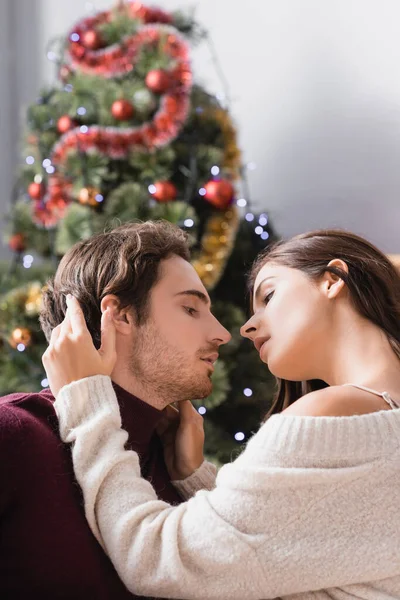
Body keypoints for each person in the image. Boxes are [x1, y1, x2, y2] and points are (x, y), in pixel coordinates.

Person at [45, 229, 400, 600]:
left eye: (269, 295)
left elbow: (158, 560)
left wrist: (87, 402)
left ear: (332, 280)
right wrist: (195, 478)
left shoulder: (332, 414)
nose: (244, 329)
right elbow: (287, 552)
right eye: (190, 309)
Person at [0, 220, 230, 599]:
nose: (221, 332)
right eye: (191, 308)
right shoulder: (14, 434)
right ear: (119, 314)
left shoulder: (176, 469)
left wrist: (195, 481)